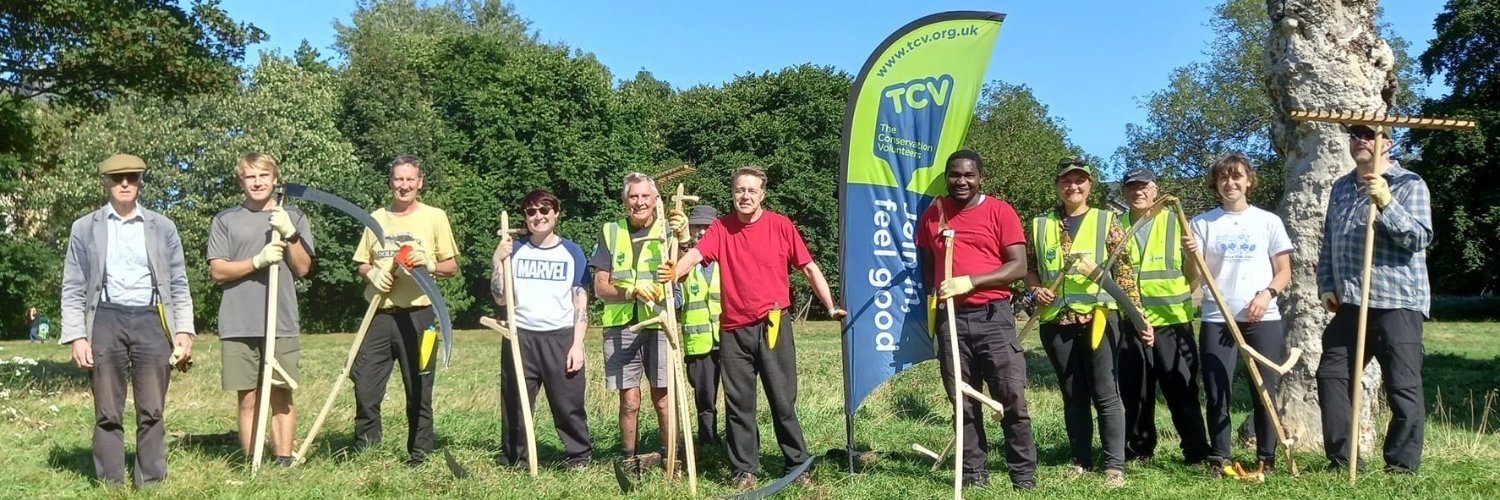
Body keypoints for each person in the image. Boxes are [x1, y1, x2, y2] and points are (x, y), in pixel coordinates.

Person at [667, 165, 846, 491]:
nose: (745, 196)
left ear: (763, 194)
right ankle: (744, 470)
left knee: (782, 401)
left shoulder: (780, 225)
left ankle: (797, 463)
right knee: (739, 404)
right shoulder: (721, 227)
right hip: (733, 330)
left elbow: (808, 268)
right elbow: (693, 256)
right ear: (732, 193)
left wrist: (831, 305)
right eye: (739, 190)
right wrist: (671, 274)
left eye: (752, 190)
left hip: (773, 325)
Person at [59, 153, 195, 487]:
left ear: (139, 182)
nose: (124, 184)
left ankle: (149, 481)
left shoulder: (162, 227)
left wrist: (183, 330)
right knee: (108, 409)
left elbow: (179, 282)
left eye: (131, 178)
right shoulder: (84, 228)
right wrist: (77, 336)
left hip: (152, 318)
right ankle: (111, 483)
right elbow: (73, 284)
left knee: (152, 408)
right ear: (105, 182)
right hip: (105, 318)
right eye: (117, 178)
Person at [1022, 156, 1151, 488]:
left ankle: (1114, 465)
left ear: (1089, 186)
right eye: (1066, 181)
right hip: (1055, 322)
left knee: (1105, 394)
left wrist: (1136, 316)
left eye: (1079, 180)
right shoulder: (1040, 224)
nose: (1073, 186)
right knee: (1072, 394)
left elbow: (1123, 274)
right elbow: (1030, 267)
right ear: (1057, 185)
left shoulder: (1106, 221)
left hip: (1098, 320)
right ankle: (1081, 459)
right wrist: (1035, 289)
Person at [916, 150, 1037, 490]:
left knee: (1011, 395)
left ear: (980, 177)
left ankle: (1023, 476)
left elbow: (1017, 266)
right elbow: (927, 262)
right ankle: (973, 474)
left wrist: (971, 281)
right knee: (962, 399)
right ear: (947, 176)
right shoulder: (933, 215)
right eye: (955, 175)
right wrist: (935, 297)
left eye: (969, 175)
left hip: (993, 316)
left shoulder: (1000, 211)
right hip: (951, 318)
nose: (961, 181)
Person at [1316, 124, 1432, 474]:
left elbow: (1420, 238)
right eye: (1356, 136)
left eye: (1369, 136)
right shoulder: (1341, 186)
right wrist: (1326, 284)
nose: (1361, 141)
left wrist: (1386, 202)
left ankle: (1400, 467)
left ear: (1388, 142)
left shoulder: (1410, 183)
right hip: (1351, 303)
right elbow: (1328, 241)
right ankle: (1343, 460)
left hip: (1397, 303)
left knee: (1403, 386)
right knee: (1331, 376)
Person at [1183, 154, 1293, 475]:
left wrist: (1266, 294)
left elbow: (1285, 272)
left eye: (1237, 177)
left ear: (1248, 181)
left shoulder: (1268, 221)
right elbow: (1194, 279)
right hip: (1219, 318)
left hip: (1263, 318)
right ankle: (1220, 457)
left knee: (1265, 390)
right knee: (1218, 391)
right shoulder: (1202, 223)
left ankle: (1267, 458)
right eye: (1223, 178)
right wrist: (1191, 256)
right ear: (1216, 184)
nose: (1230, 183)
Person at [206, 152, 315, 467]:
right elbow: (218, 271)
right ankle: (252, 461)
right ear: (241, 180)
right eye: (250, 176)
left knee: (281, 394)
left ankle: (282, 459)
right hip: (239, 321)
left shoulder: (292, 215)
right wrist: (258, 261)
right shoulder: (226, 220)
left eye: (263, 176)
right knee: (249, 397)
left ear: (274, 179)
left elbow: (303, 268)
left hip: (280, 321)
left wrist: (290, 232)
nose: (257, 182)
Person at [350, 154, 459, 466]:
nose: (404, 185)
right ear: (391, 182)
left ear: (420, 182)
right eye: (398, 179)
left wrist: (431, 264)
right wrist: (370, 273)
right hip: (379, 314)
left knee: (420, 386)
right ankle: (367, 451)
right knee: (366, 386)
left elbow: (452, 266)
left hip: (421, 316)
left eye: (410, 179)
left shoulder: (434, 217)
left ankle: (420, 453)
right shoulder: (376, 219)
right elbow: (361, 261)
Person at [490, 189, 592, 470]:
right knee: (515, 402)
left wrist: (577, 344)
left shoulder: (571, 252)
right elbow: (500, 297)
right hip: (520, 336)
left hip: (560, 337)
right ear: (525, 216)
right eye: (531, 212)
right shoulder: (516, 250)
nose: (538, 217)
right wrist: (497, 261)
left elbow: (580, 299)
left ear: (556, 213)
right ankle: (515, 457)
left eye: (544, 210)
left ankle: (578, 456)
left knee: (568, 403)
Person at [1116, 168, 1212, 466]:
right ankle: (1138, 450)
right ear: (1124, 193)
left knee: (1181, 389)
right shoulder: (1116, 226)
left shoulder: (1177, 222)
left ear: (1155, 189)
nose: (1138, 192)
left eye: (1144, 187)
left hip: (1171, 321)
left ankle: (1196, 451)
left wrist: (1193, 256)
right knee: (1135, 391)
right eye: (1132, 188)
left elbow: (1193, 277)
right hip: (1131, 322)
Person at [589, 172, 675, 477]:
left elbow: (683, 271)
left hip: (660, 323)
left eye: (644, 196)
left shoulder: (669, 231)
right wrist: (630, 290)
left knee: (663, 398)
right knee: (630, 399)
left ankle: (671, 458)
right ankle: (629, 459)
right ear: (625, 200)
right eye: (633, 196)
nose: (639, 202)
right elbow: (600, 287)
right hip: (622, 326)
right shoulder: (611, 232)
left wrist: (683, 237)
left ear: (655, 200)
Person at [680, 204, 724, 447]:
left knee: (736, 398)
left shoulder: (727, 259)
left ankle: (738, 444)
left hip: (729, 340)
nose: (702, 232)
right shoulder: (683, 261)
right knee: (705, 400)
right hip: (698, 345)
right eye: (697, 226)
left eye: (707, 227)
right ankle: (708, 443)